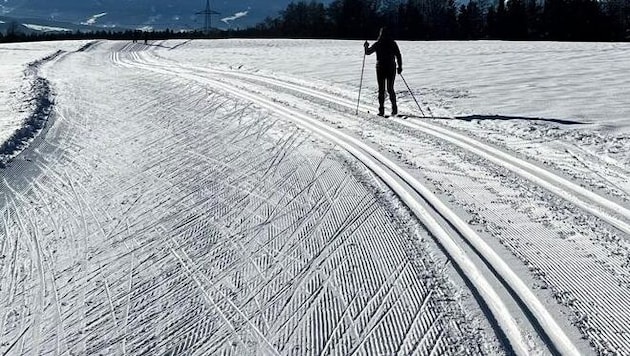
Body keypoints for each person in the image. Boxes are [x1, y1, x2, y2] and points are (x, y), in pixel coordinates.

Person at [364, 27, 403, 117]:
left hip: (380, 68)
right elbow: (398, 55)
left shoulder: (378, 43)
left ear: (380, 34)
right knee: (390, 89)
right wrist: (399, 66)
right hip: (391, 67)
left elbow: (368, 52)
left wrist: (366, 46)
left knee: (381, 90)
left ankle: (381, 110)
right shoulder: (393, 43)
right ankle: (394, 109)